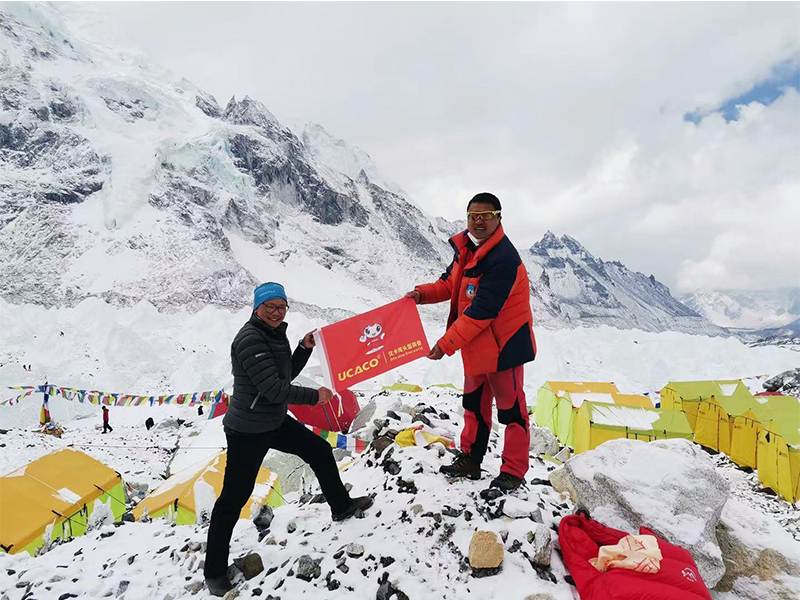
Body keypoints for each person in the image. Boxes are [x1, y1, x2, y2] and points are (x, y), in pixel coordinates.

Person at [204, 282, 373, 596]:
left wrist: (303, 349)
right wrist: (316, 396)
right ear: (257, 307)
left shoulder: (273, 333)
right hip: (247, 430)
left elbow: (285, 375)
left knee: (319, 450)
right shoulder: (250, 339)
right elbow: (274, 390)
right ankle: (214, 572)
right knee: (234, 497)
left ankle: (341, 506)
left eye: (281, 306)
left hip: (273, 420)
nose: (276, 312)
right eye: (270, 306)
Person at [406, 192, 536, 492]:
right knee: (474, 405)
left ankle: (513, 472)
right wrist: (421, 295)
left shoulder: (503, 258)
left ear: (498, 218)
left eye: (486, 216)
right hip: (477, 344)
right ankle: (470, 459)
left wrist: (445, 344)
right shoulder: (466, 247)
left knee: (512, 411)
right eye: (473, 216)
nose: (478, 222)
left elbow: (482, 310)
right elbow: (450, 284)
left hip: (506, 347)